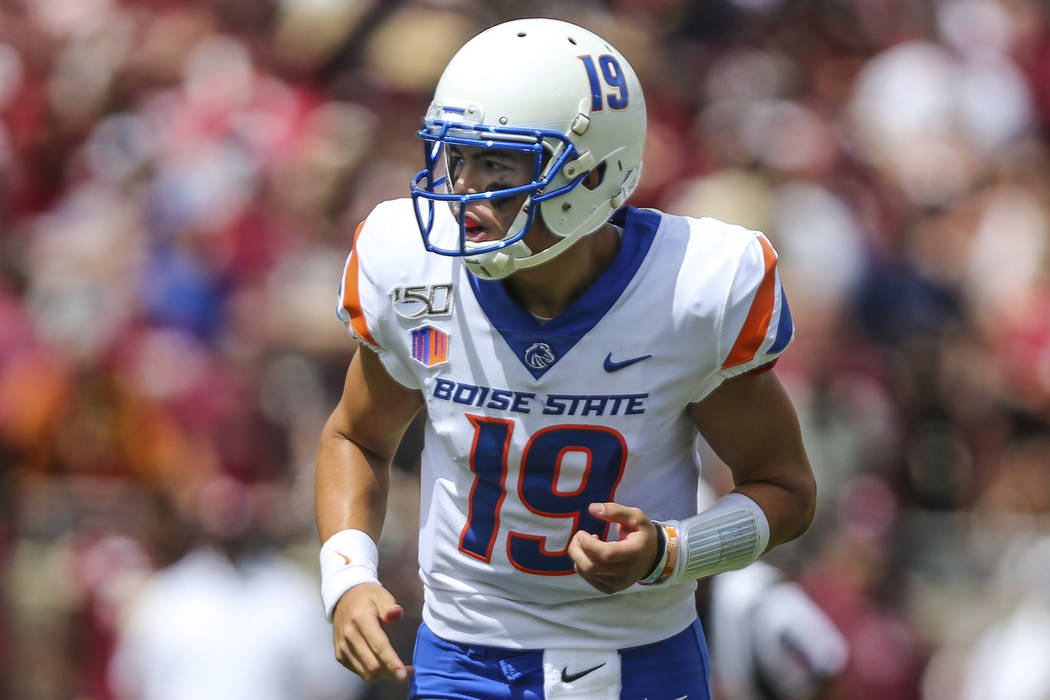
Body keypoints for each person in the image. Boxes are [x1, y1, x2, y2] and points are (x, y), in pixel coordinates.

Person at [315, 17, 816, 700]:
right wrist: (347, 576)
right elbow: (355, 436)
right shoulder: (411, 269)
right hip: (463, 658)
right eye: (455, 157)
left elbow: (786, 491)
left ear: (593, 172)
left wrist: (671, 552)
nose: (463, 189)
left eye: (497, 162)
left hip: (641, 659)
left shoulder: (690, 292)